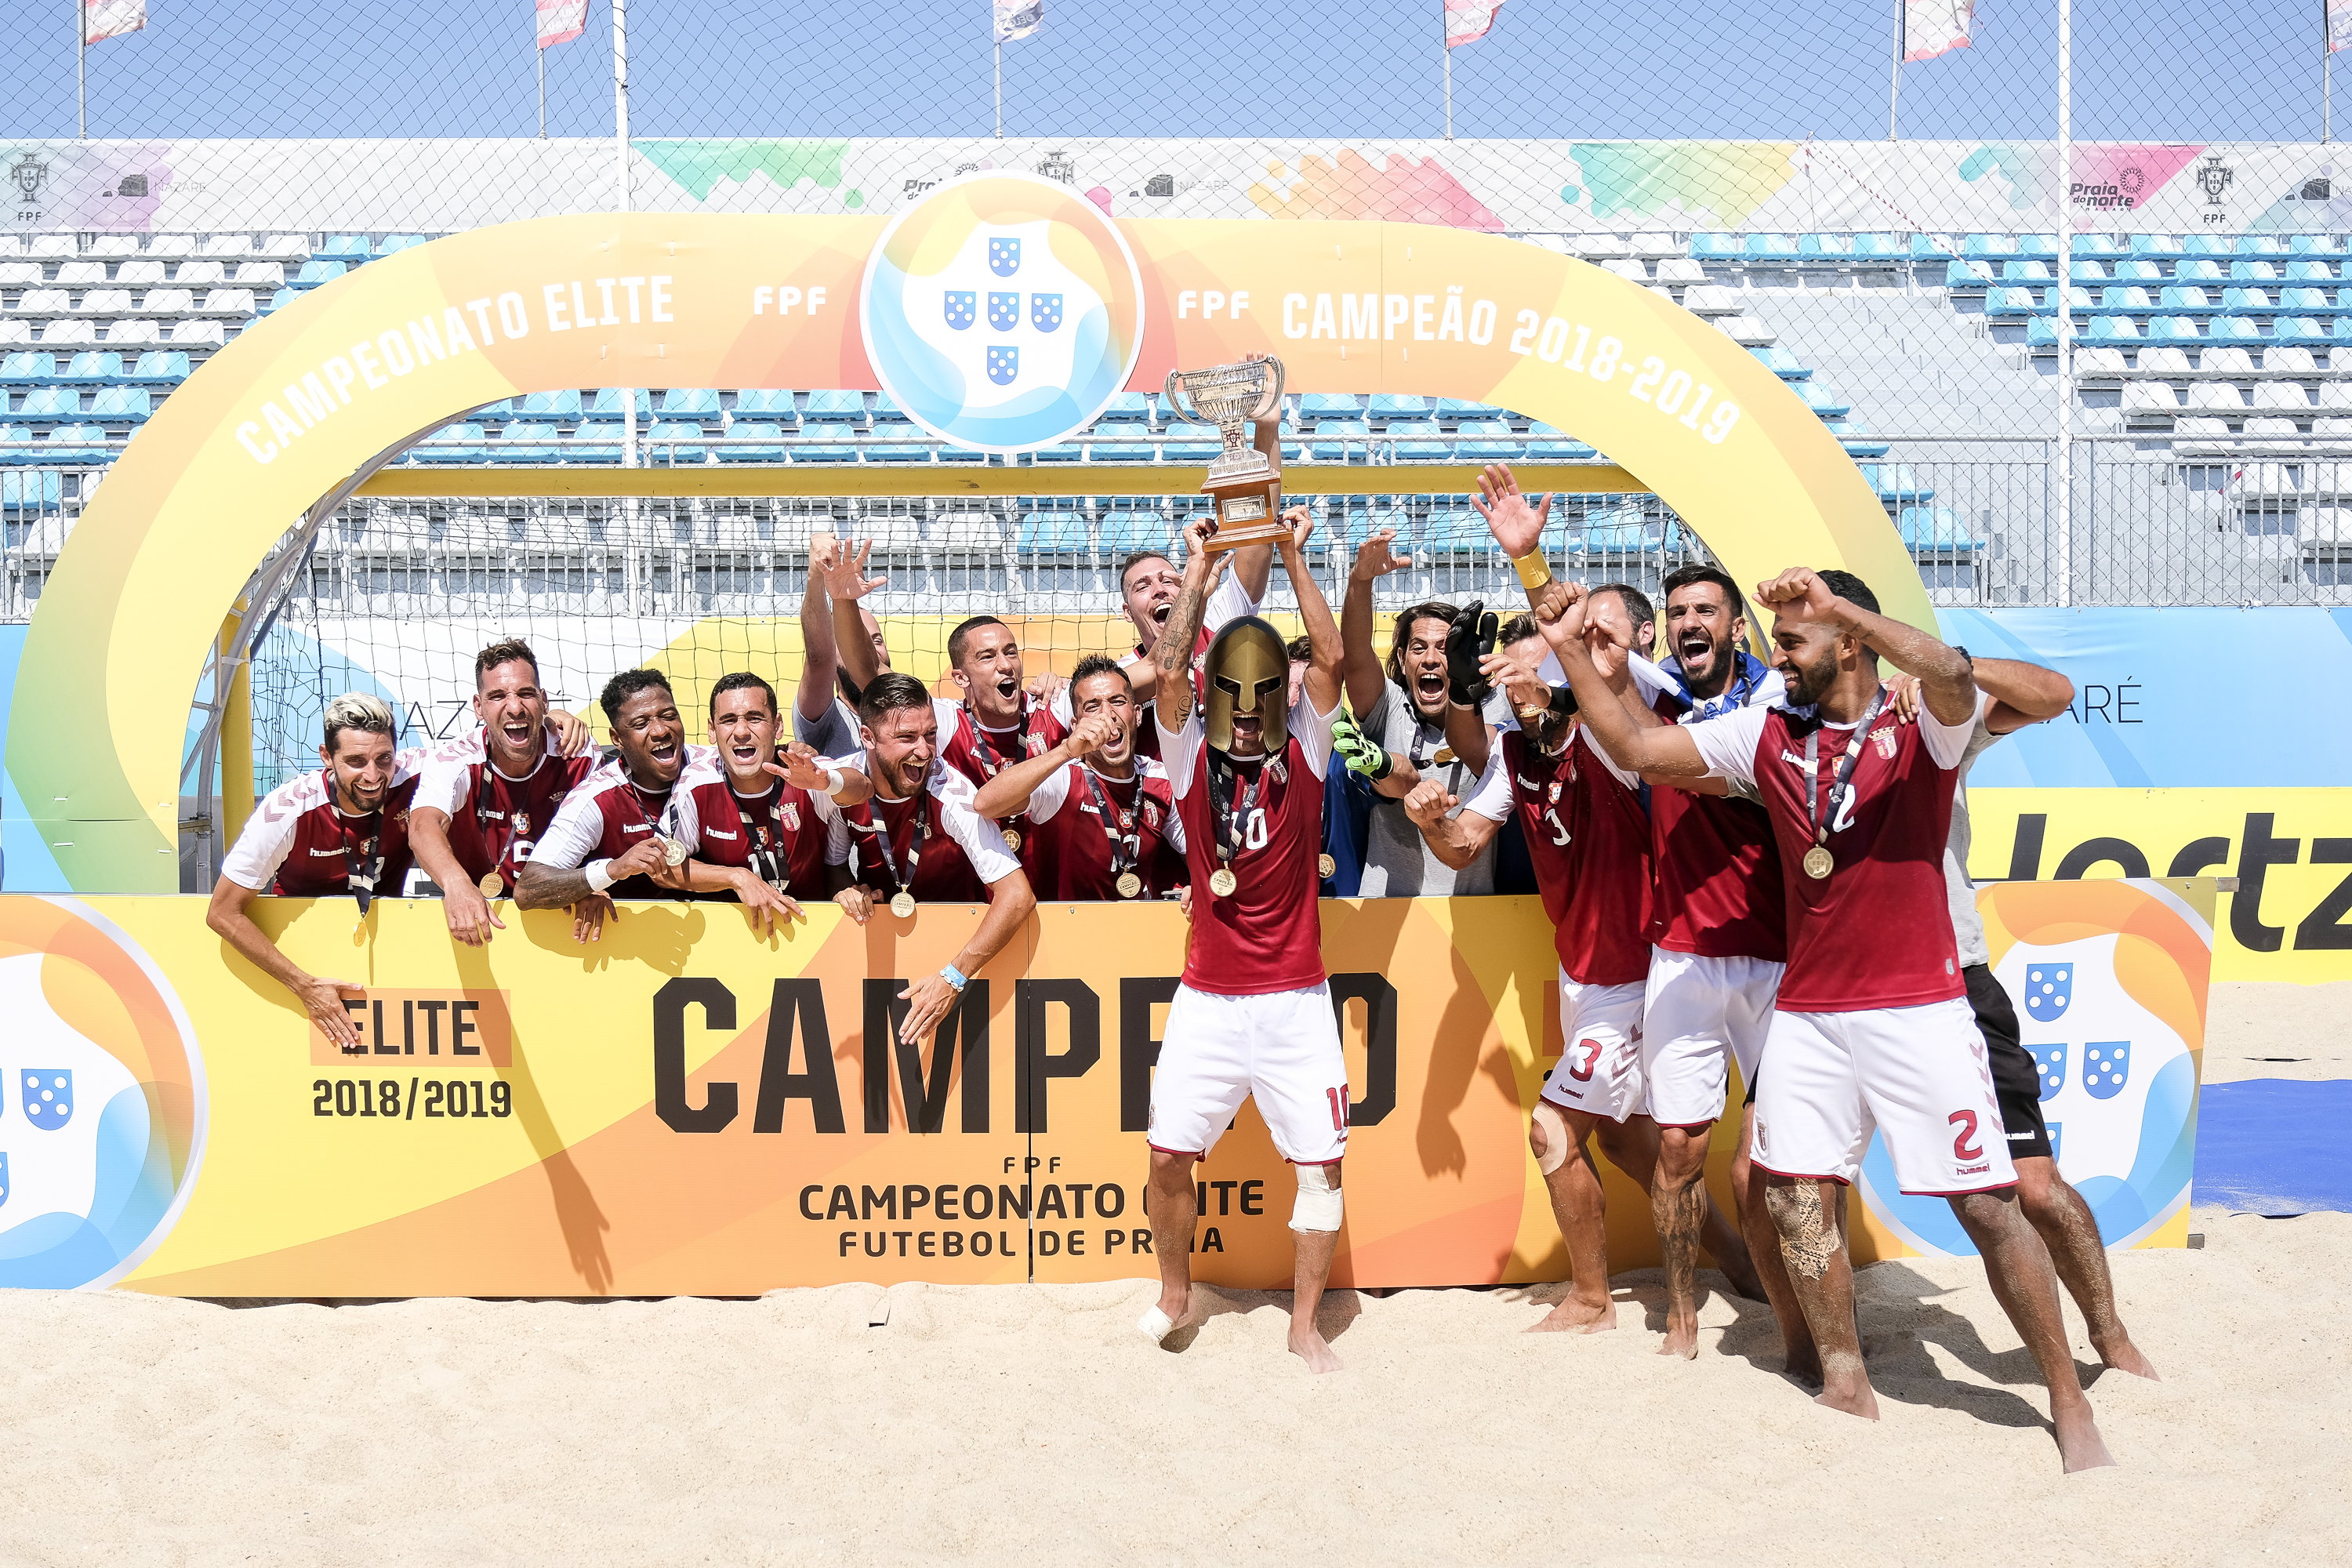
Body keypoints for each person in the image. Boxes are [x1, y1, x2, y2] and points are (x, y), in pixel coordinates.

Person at [1539, 563, 2114, 1472]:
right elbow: (1644, 752)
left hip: (1919, 1002)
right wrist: (1572, 648)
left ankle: (2070, 1398)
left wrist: (1846, 605)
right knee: (1797, 1193)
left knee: (1988, 1203)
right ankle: (1844, 1373)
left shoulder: (1919, 722)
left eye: (1794, 640)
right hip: (1809, 1006)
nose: (1778, 655)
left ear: (1848, 641)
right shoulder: (1768, 727)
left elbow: (1972, 683)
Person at [1404, 603, 1759, 1334]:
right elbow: (1465, 846)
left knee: (1553, 1131)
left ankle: (1593, 1300)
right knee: (1630, 1136)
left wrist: (1562, 660)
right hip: (1583, 975)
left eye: (1535, 664)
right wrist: (1431, 820)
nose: (1519, 679)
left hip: (1639, 974)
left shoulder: (1604, 741)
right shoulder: (1511, 754)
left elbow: (1619, 701)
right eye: (1512, 669)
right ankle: (1736, 1257)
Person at [1895, 659, 2161, 1382]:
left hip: (1955, 977)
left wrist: (1945, 667)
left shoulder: (1930, 715)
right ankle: (1820, 1361)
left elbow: (2052, 695)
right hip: (1831, 992)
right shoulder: (1779, 724)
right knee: (1780, 1182)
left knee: (2034, 1185)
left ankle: (2110, 1337)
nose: (1793, 652)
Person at [1138, 507, 1352, 1374]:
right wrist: (1196, 569)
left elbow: (1332, 659)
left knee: (1319, 1172)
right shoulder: (1192, 763)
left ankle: (1303, 1324)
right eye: (1237, 691)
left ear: (1281, 696)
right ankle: (1174, 1293)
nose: (1253, 707)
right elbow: (1165, 670)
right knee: (1166, 1157)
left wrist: (1297, 559)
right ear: (1218, 695)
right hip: (1210, 1000)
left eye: (1268, 689)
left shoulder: (1303, 757)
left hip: (1297, 998)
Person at [206, 692, 422, 1049]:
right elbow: (222, 913)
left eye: (383, 759)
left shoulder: (413, 773)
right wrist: (303, 986)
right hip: (303, 968)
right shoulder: (286, 809)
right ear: (327, 757)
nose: (373, 775)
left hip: (385, 954)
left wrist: (551, 719)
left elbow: (484, 744)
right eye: (355, 761)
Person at [836, 671, 1038, 1050]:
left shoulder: (952, 792)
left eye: (930, 735)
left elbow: (1018, 896)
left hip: (959, 955)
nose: (925, 751)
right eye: (906, 738)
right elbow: (830, 869)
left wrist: (953, 978)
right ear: (867, 738)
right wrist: (845, 892)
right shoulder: (838, 787)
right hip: (881, 962)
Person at [1338, 528, 1505, 895]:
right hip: (1386, 910)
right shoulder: (1390, 707)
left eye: (1444, 648)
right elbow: (1353, 657)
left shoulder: (1494, 704)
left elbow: (1481, 747)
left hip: (1473, 915)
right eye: (1418, 648)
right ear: (1401, 658)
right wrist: (1360, 580)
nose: (1431, 658)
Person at [407, 638, 598, 948]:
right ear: (478, 707)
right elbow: (422, 826)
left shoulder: (576, 753)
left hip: (558, 915)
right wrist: (456, 884)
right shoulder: (455, 758)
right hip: (480, 917)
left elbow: (607, 830)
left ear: (544, 700)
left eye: (526, 694)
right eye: (497, 696)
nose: (514, 707)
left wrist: (594, 882)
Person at [663, 672, 871, 938]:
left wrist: (825, 783)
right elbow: (665, 868)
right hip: (729, 938)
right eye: (728, 720)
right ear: (712, 731)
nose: (741, 732)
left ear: (778, 726)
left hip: (811, 934)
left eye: (754, 718)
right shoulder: (696, 784)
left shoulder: (802, 771)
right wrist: (735, 878)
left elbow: (864, 788)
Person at [969, 655, 1187, 902]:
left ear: (1137, 714)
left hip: (1132, 928)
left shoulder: (1160, 780)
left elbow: (1199, 853)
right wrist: (1066, 751)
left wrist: (1197, 885)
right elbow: (985, 804)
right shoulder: (1065, 779)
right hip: (1066, 932)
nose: (1108, 715)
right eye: (1093, 706)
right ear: (1076, 724)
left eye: (1117, 701)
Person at [517, 669, 704, 941]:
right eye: (641, 723)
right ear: (617, 739)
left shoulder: (713, 768)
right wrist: (608, 872)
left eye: (668, 716)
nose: (661, 730)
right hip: (625, 949)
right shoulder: (595, 798)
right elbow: (528, 890)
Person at [794, 532, 896, 761]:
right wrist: (815, 574)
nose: (869, 650)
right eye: (846, 643)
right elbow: (818, 658)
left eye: (877, 641)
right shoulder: (825, 716)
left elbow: (870, 665)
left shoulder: (909, 706)